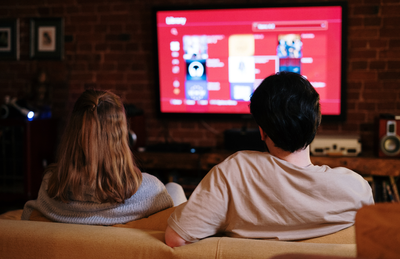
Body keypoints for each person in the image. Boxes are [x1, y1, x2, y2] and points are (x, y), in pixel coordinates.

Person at [165, 72, 374, 247]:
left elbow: (176, 239)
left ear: (262, 131)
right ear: (316, 124)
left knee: (172, 189)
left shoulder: (236, 172)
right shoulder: (357, 189)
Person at [22, 89, 186, 225]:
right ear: (122, 136)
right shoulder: (150, 190)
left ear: (72, 133)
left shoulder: (49, 184)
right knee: (175, 188)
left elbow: (29, 215)